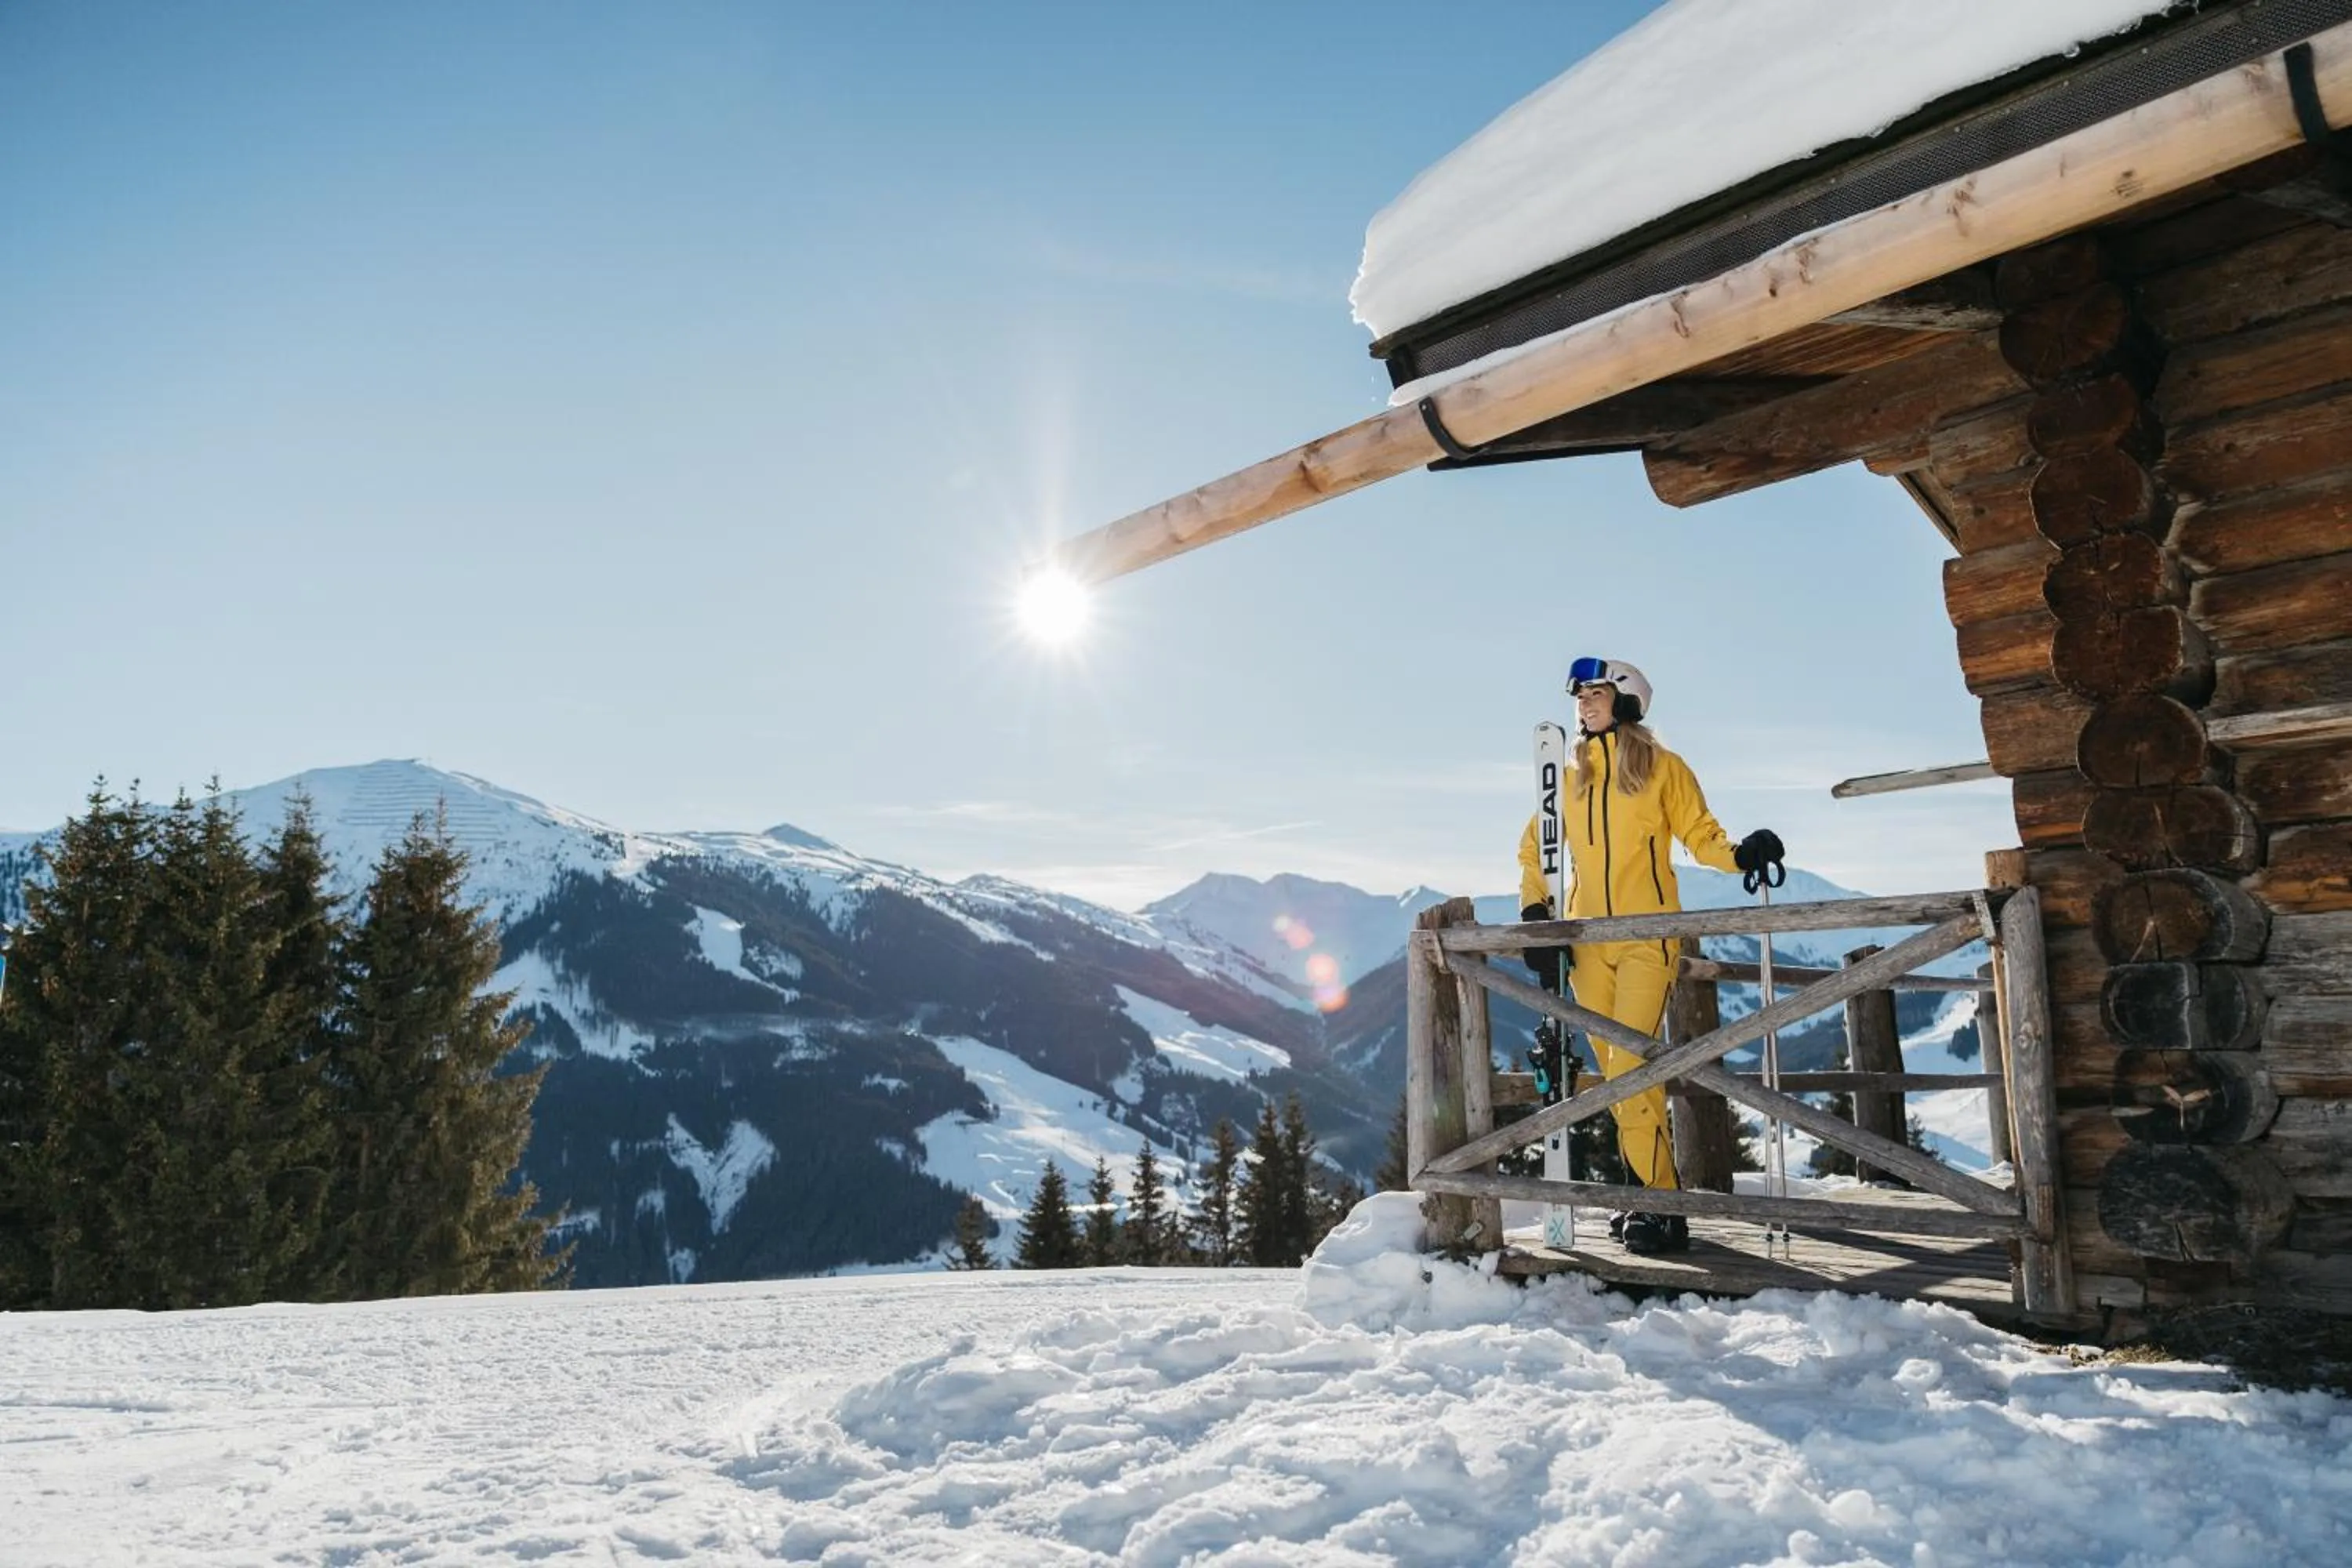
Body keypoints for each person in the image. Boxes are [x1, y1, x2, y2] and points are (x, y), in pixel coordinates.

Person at [1515, 657, 1784, 1256]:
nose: (1583, 703)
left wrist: (1742, 855)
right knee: (1619, 1080)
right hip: (1587, 946)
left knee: (1632, 1072)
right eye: (1578, 695)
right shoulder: (1568, 775)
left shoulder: (1664, 769)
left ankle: (1661, 1206)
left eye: (1595, 692)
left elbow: (1701, 834)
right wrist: (1538, 916)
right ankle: (1649, 1195)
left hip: (1646, 939)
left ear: (1629, 699)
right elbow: (1536, 851)